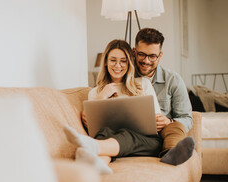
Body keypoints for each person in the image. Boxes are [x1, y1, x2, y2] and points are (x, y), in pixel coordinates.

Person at [64, 39, 182, 175]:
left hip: (146, 142)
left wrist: (161, 121)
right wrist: (103, 96)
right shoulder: (96, 92)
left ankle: (92, 147)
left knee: (124, 134)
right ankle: (99, 163)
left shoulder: (142, 84)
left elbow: (155, 120)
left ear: (129, 63)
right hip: (112, 139)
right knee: (104, 132)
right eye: (113, 60)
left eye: (123, 61)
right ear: (106, 62)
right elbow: (94, 127)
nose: (118, 65)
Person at [133, 28, 195, 166]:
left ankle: (172, 152)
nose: (146, 61)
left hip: (162, 133)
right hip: (134, 131)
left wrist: (169, 122)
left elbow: (186, 117)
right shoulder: (125, 76)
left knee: (175, 127)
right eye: (141, 54)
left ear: (160, 56)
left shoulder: (173, 80)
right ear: (134, 52)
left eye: (152, 56)